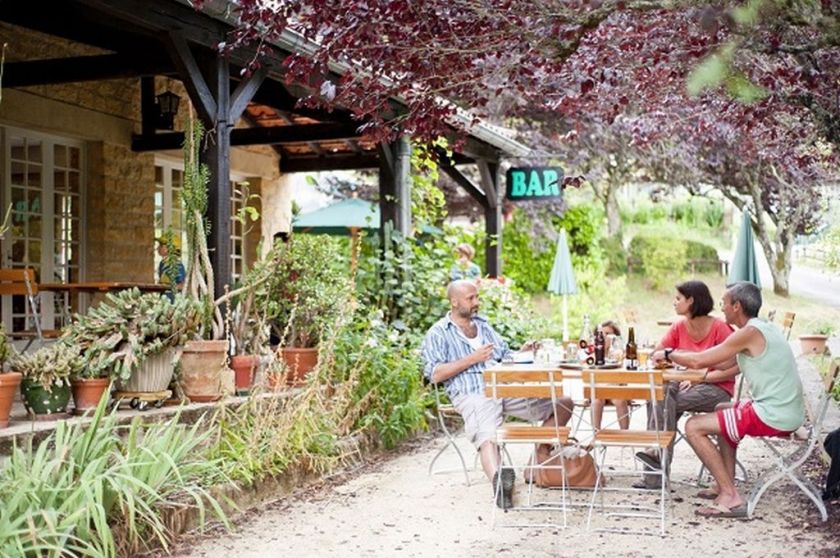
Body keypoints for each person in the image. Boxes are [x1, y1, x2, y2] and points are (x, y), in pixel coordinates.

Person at [652, 281, 804, 518]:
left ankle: (730, 496)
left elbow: (699, 361)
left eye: (724, 303)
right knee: (723, 408)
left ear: (737, 306)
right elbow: (728, 366)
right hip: (782, 409)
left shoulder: (748, 333)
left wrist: (670, 353)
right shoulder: (763, 329)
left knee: (693, 426)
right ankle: (724, 481)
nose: (721, 308)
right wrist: (701, 375)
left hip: (774, 414)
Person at [421, 280, 574, 509]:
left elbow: (504, 356)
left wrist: (523, 351)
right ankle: (500, 482)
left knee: (563, 402)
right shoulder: (439, 332)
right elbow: (434, 374)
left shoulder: (483, 326)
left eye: (477, 297)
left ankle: (540, 455)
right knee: (488, 433)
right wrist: (472, 359)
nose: (476, 303)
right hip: (472, 392)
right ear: (454, 301)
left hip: (504, 389)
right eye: (470, 298)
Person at [635, 280, 738, 489]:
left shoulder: (719, 327)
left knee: (662, 400)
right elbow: (657, 354)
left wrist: (697, 373)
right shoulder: (679, 326)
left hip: (716, 389)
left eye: (678, 298)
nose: (674, 303)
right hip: (682, 387)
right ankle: (655, 458)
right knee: (662, 395)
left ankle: (654, 467)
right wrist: (685, 370)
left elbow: (734, 363)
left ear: (691, 301)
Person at [591, 320, 630, 430]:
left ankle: (625, 434)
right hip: (598, 389)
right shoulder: (593, 354)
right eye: (601, 334)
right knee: (597, 401)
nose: (604, 337)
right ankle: (596, 434)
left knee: (620, 400)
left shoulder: (620, 353)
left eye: (608, 334)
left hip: (616, 389)